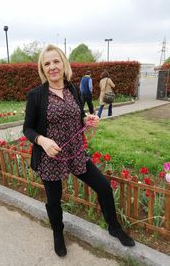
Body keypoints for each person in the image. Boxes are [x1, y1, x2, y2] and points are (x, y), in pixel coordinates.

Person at [23, 44, 135, 257]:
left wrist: (86, 119)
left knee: (103, 187)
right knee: (54, 201)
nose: (52, 67)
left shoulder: (72, 89)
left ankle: (114, 227)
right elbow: (27, 128)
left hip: (75, 154)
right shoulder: (36, 95)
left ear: (63, 63)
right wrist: (42, 140)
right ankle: (58, 232)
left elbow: (76, 116)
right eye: (47, 63)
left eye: (56, 61)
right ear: (42, 69)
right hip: (51, 157)